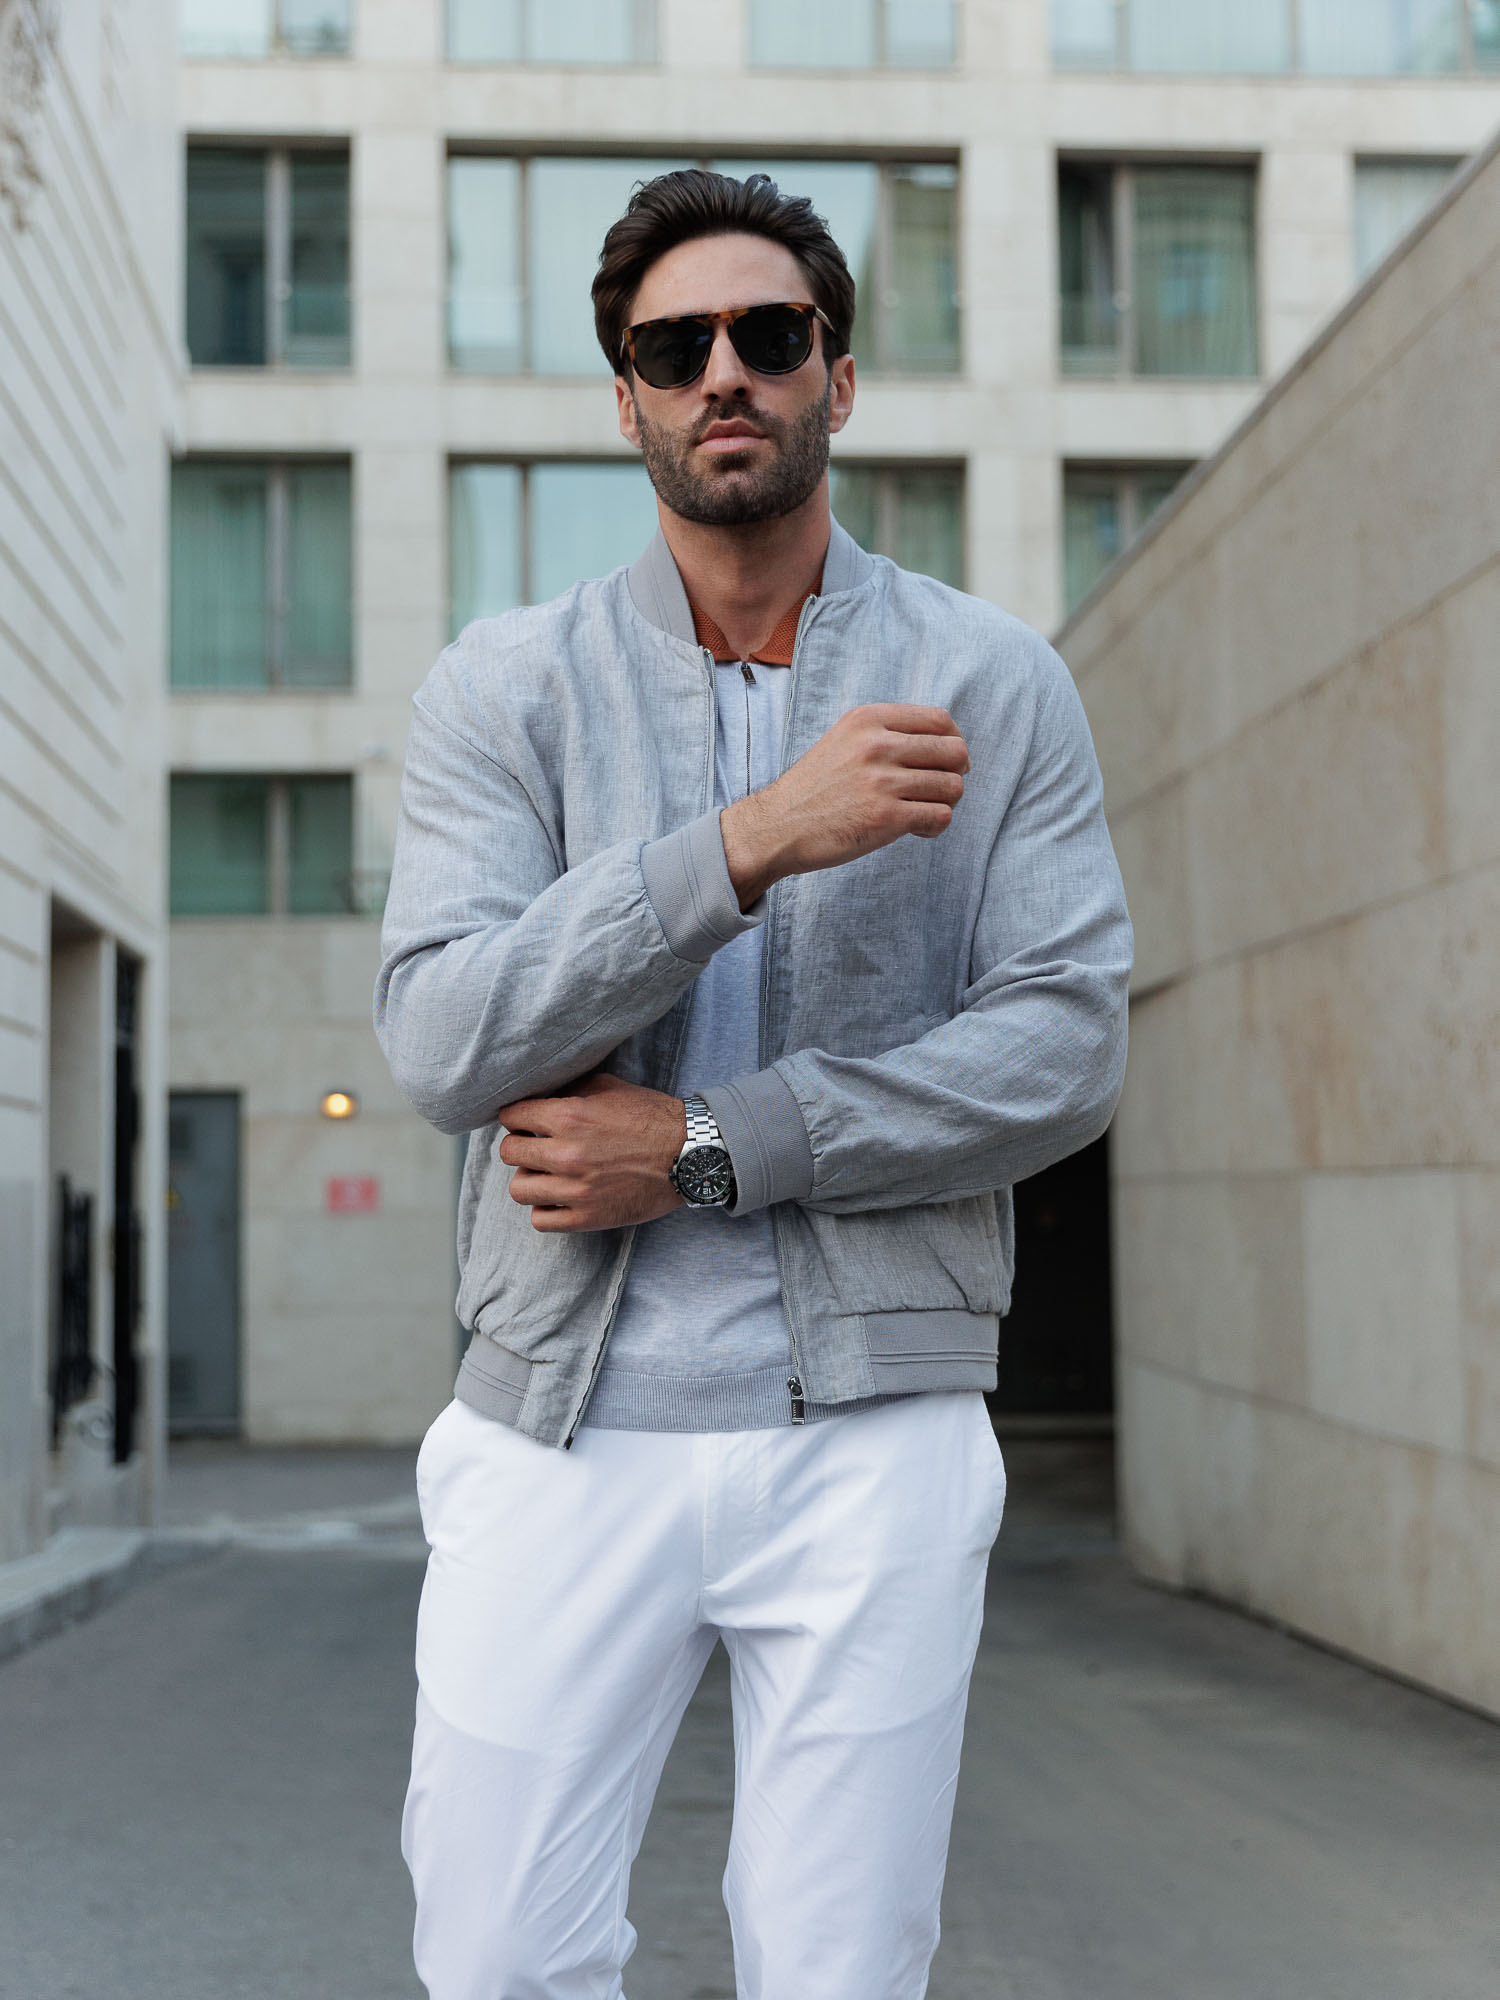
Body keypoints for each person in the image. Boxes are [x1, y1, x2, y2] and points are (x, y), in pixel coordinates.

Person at [376, 167, 1132, 2000]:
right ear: (626, 400)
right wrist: (747, 842)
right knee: (494, 1958)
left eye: (769, 334)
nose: (724, 372)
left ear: (836, 379)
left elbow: (1066, 1044)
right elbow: (444, 1039)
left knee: (842, 1968)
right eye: (675, 348)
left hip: (874, 1430)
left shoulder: (992, 682)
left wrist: (714, 1146)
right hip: (557, 1430)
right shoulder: (506, 690)